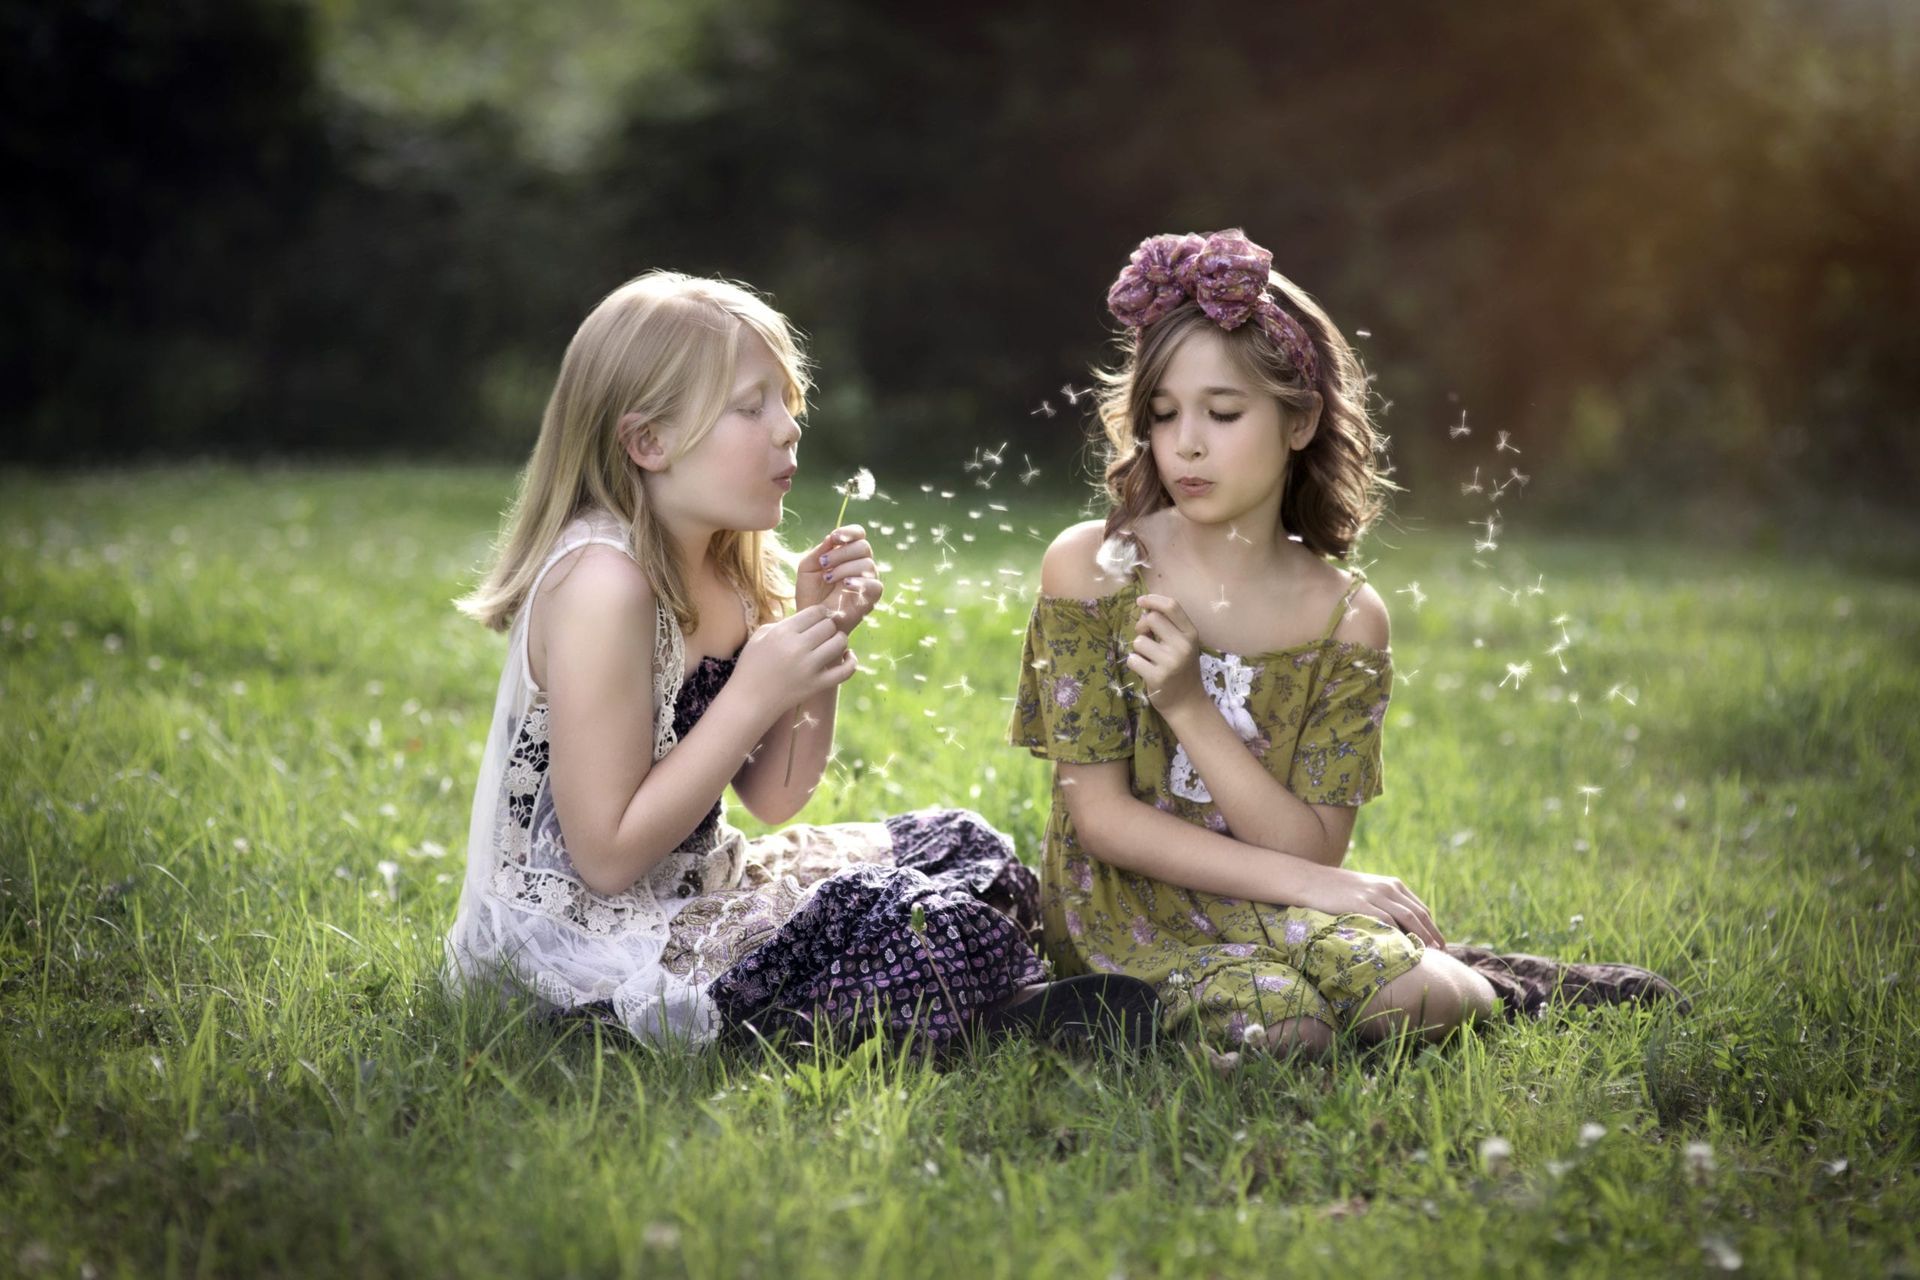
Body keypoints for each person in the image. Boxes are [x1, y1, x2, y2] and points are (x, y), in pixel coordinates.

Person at [446, 270, 1155, 1050]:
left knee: (969, 850)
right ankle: (992, 1010)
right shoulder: (602, 586)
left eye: (787, 402)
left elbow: (777, 797)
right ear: (647, 442)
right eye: (751, 407)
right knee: (919, 925)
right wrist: (753, 691)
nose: (787, 428)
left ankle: (977, 998)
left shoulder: (729, 565)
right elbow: (608, 858)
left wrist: (819, 631)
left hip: (697, 884)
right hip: (583, 944)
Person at [1010, 230, 1679, 1055]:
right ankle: (1127, 1017)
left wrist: (1192, 709)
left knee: (1427, 995)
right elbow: (1104, 822)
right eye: (1163, 413)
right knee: (1289, 1029)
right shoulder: (1095, 568)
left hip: (1279, 893)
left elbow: (1311, 847)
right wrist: (1320, 887)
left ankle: (1490, 980)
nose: (1185, 442)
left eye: (1222, 413)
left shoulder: (1346, 619)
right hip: (1122, 908)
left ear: (1300, 423)